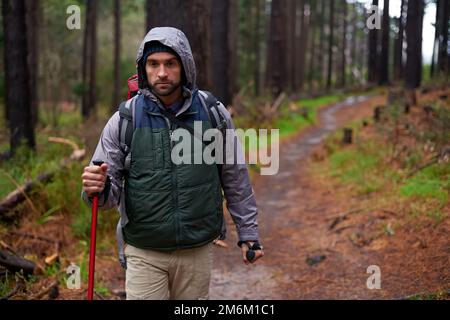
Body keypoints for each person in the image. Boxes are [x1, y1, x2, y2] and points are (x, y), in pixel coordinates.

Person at [81, 27, 263, 300]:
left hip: (196, 250)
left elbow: (234, 176)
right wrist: (97, 187)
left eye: (170, 63)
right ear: (144, 68)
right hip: (144, 251)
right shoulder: (125, 120)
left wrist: (248, 232)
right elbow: (105, 197)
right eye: (153, 64)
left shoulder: (213, 113)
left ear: (185, 66)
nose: (162, 73)